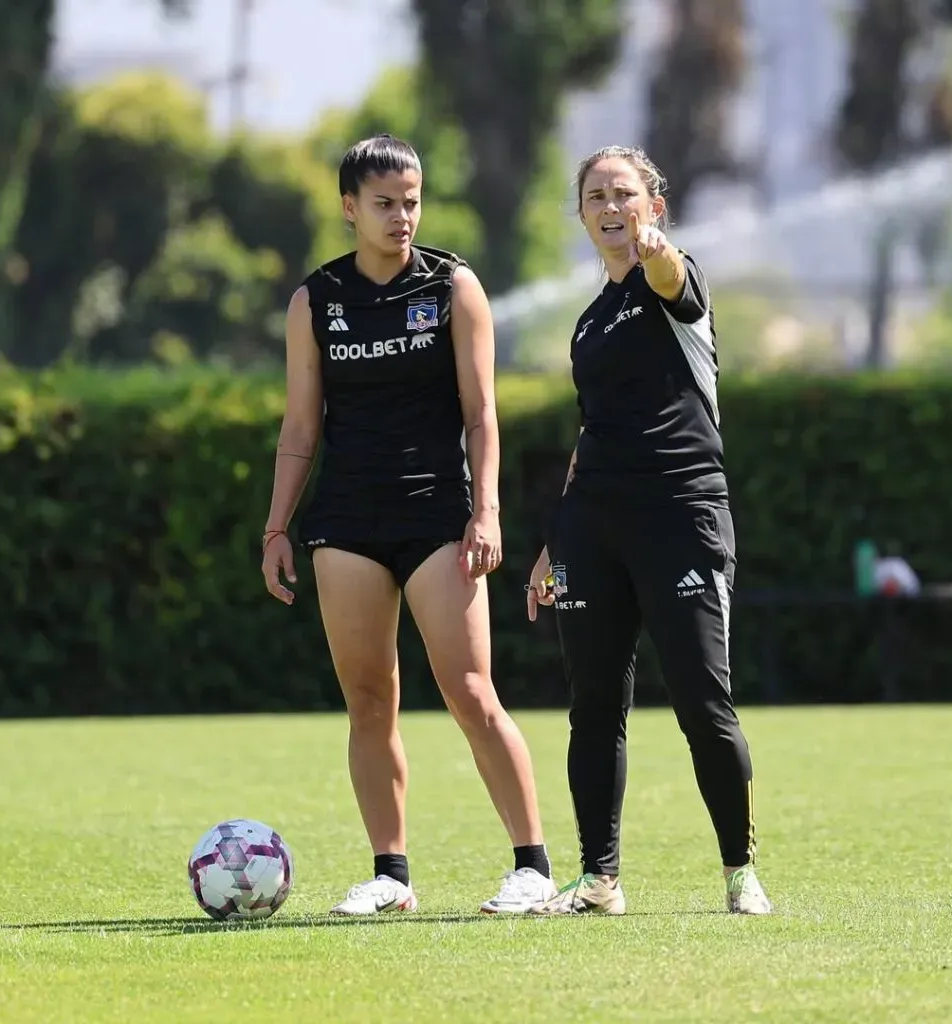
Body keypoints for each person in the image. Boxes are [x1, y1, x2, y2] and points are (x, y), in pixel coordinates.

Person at [260, 133, 556, 916]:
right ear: (350, 207)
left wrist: (486, 511)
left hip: (438, 517)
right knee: (369, 699)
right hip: (346, 519)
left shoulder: (454, 286)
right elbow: (300, 426)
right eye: (385, 204)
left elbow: (482, 414)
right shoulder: (314, 300)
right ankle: (390, 877)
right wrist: (276, 528)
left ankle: (533, 865)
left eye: (413, 202)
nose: (402, 218)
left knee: (469, 690)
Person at [525, 145, 772, 916]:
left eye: (625, 193)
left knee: (703, 701)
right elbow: (592, 434)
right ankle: (600, 879)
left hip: (680, 515)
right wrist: (551, 544)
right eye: (595, 194)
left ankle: (740, 872)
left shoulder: (676, 279)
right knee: (593, 705)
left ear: (653, 206)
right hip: (592, 527)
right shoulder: (589, 322)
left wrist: (659, 254)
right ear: (582, 214)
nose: (610, 205)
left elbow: (669, 277)